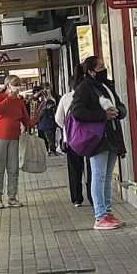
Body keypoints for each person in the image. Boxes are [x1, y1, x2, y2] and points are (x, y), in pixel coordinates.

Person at [69, 56, 128, 230]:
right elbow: (77, 112)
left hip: (112, 136)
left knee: (107, 177)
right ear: (91, 71)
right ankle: (100, 216)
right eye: (100, 67)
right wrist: (102, 115)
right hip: (96, 138)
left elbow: (120, 105)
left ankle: (107, 212)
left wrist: (119, 112)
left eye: (104, 66)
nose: (104, 69)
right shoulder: (84, 88)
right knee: (98, 176)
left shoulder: (106, 86)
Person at [0, 75, 32, 210]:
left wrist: (34, 118)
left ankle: (12, 198)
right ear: (7, 85)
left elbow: (26, 119)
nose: (18, 88)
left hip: (14, 137)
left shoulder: (19, 101)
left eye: (19, 85)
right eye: (15, 85)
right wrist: (9, 97)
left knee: (13, 169)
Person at [56, 72, 91, 208]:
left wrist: (67, 128)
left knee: (74, 169)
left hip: (72, 139)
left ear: (71, 85)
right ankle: (93, 197)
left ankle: (77, 199)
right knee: (90, 168)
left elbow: (58, 119)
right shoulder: (90, 96)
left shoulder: (65, 98)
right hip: (89, 139)